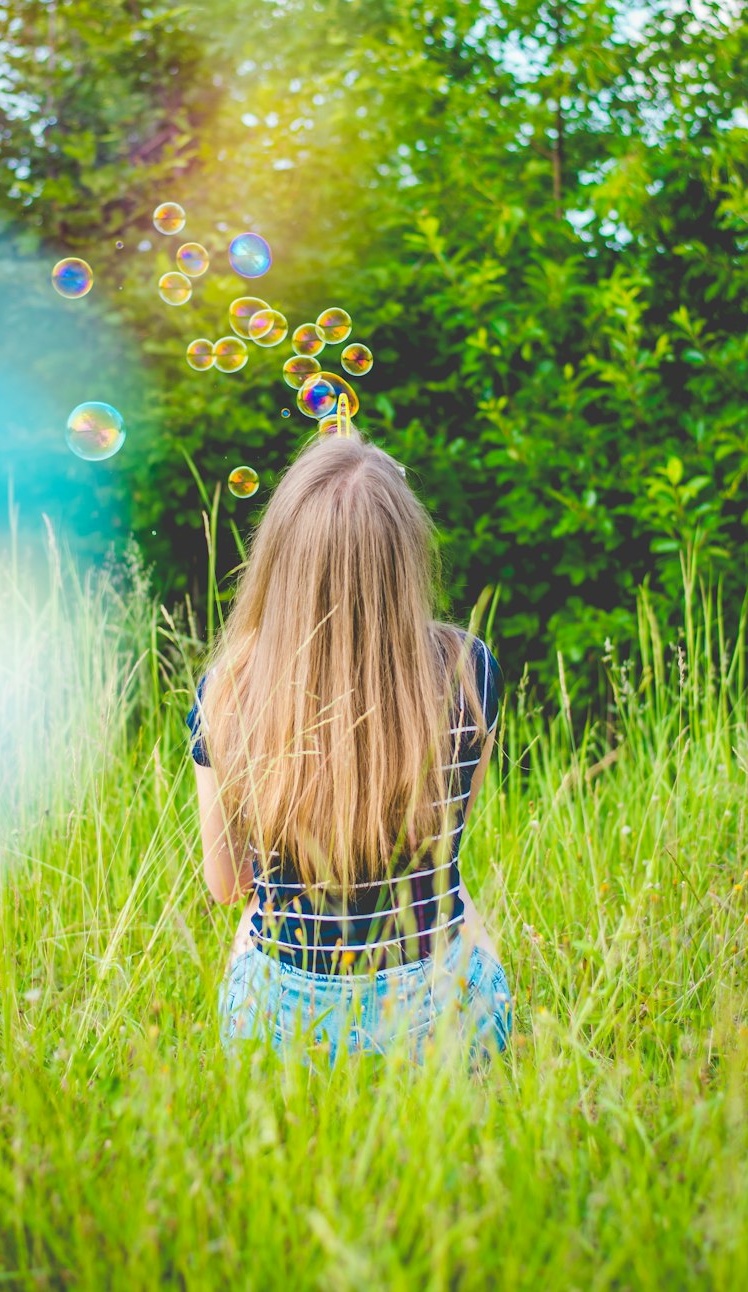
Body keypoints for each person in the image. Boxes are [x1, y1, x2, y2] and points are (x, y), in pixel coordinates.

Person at [186, 429, 511, 1066]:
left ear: (280, 556)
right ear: (406, 555)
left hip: (281, 1038)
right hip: (442, 1025)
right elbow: (445, 848)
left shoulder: (228, 689)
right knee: (464, 908)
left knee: (249, 930)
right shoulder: (469, 670)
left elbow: (227, 884)